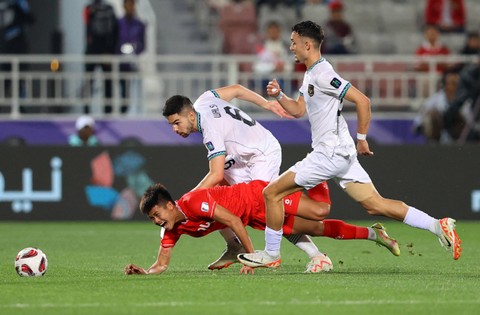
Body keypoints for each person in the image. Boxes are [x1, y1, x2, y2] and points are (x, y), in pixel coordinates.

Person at [237, 20, 462, 270]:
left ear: (307, 44)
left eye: (293, 42)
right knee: (375, 204)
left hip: (329, 153)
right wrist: (280, 95)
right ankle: (436, 224)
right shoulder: (312, 73)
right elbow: (299, 110)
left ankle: (271, 254)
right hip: (339, 153)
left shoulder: (324, 74)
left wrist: (362, 139)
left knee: (271, 193)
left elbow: (363, 101)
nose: (291, 47)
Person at [163, 84, 333, 273]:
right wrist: (265, 104)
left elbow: (216, 174)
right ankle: (234, 245)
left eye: (177, 122)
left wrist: (186, 202)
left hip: (262, 153)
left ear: (191, 116)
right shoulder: (204, 100)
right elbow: (236, 89)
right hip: (239, 158)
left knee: (266, 209)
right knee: (216, 197)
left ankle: (317, 255)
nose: (174, 129)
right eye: (171, 124)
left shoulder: (210, 129)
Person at [124, 180, 400, 275]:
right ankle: (376, 234)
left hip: (259, 196)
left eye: (157, 214)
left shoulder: (194, 202)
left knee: (320, 210)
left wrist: (252, 256)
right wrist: (146, 273)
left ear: (170, 205)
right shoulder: (172, 228)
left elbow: (231, 221)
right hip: (255, 218)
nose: (157, 221)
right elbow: (161, 264)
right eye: (152, 219)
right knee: (317, 229)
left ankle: (318, 174)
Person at [83, 0, 118, 114]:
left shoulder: (94, 8)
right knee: (94, 80)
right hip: (100, 50)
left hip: (96, 50)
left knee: (102, 80)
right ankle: (92, 109)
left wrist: (109, 50)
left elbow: (113, 30)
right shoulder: (103, 9)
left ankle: (92, 110)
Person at [413, 68, 462, 143]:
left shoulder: (465, 99)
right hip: (437, 138)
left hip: (459, 139)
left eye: (456, 83)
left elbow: (470, 122)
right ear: (445, 85)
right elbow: (418, 121)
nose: (455, 86)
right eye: (451, 83)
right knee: (433, 114)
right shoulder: (434, 100)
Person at [116, 0, 146, 114]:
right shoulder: (118, 23)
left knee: (134, 90)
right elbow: (115, 42)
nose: (130, 7)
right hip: (120, 63)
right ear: (124, 6)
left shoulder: (139, 24)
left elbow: (143, 45)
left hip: (133, 63)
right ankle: (121, 111)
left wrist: (134, 51)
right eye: (128, 4)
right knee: (122, 90)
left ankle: (135, 112)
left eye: (132, 4)